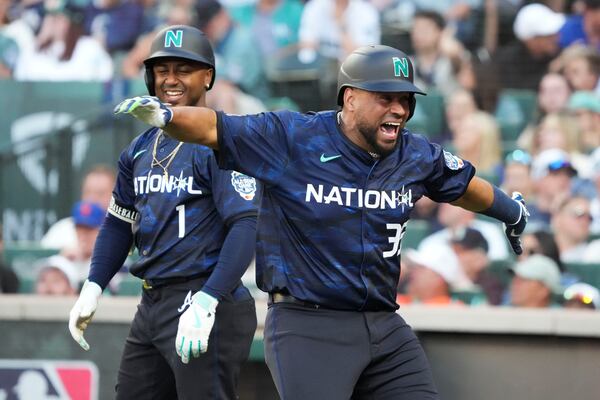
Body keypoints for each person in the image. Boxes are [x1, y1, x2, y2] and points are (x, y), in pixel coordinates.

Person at [114, 44, 529, 400]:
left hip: (383, 322)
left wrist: (511, 212)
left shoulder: (415, 154)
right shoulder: (292, 137)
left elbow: (462, 184)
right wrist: (170, 118)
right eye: (385, 98)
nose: (399, 109)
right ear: (349, 99)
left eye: (405, 98)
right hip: (307, 324)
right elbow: (216, 128)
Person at [68, 25, 260, 399]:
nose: (170, 79)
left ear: (208, 77)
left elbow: (245, 226)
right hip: (152, 302)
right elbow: (119, 223)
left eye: (183, 69)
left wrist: (208, 299)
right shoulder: (139, 149)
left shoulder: (224, 142)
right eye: (162, 70)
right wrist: (94, 284)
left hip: (203, 298)